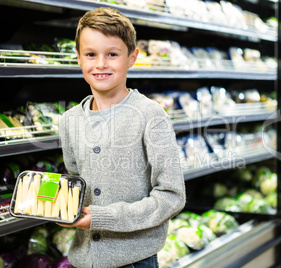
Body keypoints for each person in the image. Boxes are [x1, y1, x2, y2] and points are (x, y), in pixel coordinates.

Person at [58, 7, 186, 268]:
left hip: (134, 260)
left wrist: (102, 217)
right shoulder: (69, 120)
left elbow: (172, 196)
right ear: (79, 58)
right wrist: (60, 205)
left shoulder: (151, 115)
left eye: (112, 54)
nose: (101, 64)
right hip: (84, 259)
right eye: (91, 54)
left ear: (132, 57)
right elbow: (76, 183)